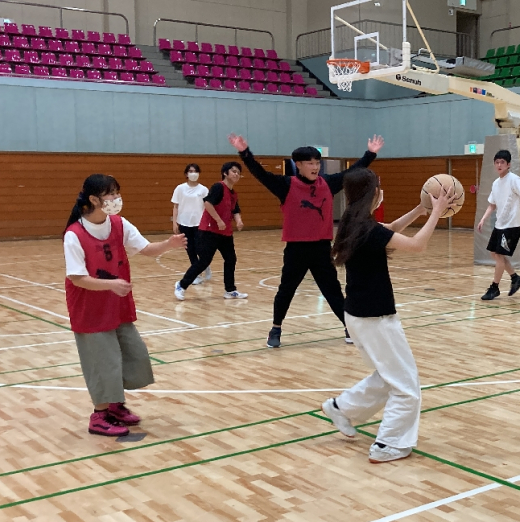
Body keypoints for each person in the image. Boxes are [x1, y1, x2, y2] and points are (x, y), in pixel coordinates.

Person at [320, 168, 456, 463]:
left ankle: (341, 408)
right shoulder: (367, 229)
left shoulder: (353, 222)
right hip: (374, 318)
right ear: (371, 193)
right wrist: (437, 213)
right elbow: (417, 245)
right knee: (406, 385)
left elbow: (391, 228)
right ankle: (388, 444)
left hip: (358, 315)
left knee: (388, 376)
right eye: (378, 186)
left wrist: (421, 209)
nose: (381, 191)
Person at [228, 133, 385, 348]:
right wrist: (244, 153)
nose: (315, 167)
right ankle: (275, 329)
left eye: (317, 163)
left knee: (333, 291)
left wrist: (370, 154)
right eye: (310, 163)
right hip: (296, 249)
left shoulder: (328, 183)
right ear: (298, 165)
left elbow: (352, 171)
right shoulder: (286, 185)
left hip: (321, 248)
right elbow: (260, 173)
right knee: (286, 290)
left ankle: (349, 328)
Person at [64, 174, 187, 437]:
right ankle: (99, 416)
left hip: (116, 304)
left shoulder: (119, 224)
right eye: (110, 193)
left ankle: (115, 405)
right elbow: (77, 278)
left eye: (117, 192)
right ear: (94, 199)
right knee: (103, 361)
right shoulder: (75, 234)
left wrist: (168, 245)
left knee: (134, 355)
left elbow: (146, 248)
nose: (116, 198)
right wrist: (110, 284)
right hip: (90, 308)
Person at [476, 150, 520, 301]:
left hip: (512, 226)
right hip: (500, 225)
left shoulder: (514, 180)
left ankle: (494, 288)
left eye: (502, 162)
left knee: (499, 256)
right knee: (494, 254)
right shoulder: (496, 183)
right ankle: (515, 278)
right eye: (497, 162)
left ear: (508, 164)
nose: (499, 165)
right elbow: (492, 205)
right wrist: (483, 219)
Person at [174, 162, 247, 300]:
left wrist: (238, 221)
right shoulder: (218, 187)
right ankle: (181, 285)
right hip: (210, 231)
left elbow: (235, 209)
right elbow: (207, 203)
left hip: (225, 233)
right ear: (225, 173)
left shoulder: (233, 193)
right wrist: (218, 220)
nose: (236, 174)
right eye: (234, 171)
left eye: (238, 172)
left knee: (231, 259)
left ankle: (230, 290)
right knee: (204, 261)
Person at [171, 163, 210, 285]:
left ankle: (203, 264)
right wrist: (174, 222)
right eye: (191, 171)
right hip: (184, 222)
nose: (193, 173)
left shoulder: (203, 190)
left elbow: (208, 207)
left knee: (199, 247)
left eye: (196, 171)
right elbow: (176, 206)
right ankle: (197, 274)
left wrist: (208, 223)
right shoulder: (180, 188)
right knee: (190, 249)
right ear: (186, 174)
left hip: (199, 223)